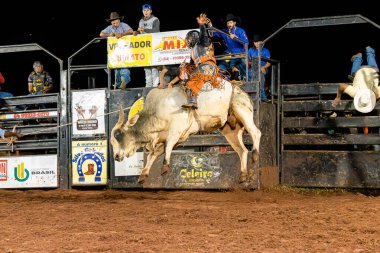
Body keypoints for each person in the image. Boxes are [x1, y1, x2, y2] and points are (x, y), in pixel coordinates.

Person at [180, 13, 219, 109]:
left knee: (191, 79)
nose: (187, 42)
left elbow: (204, 35)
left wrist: (202, 25)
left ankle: (193, 102)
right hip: (204, 68)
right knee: (187, 77)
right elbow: (192, 66)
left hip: (207, 67)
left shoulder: (203, 42)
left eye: (188, 39)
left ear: (193, 38)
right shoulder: (193, 51)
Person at [332, 46, 379, 113]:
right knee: (354, 74)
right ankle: (358, 58)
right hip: (359, 71)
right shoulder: (355, 93)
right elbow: (341, 85)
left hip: (372, 70)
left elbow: (341, 85)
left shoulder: (377, 94)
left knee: (372, 64)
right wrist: (338, 97)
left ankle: (369, 51)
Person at [208, 13, 249, 82]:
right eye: (227, 23)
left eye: (230, 22)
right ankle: (225, 80)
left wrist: (236, 37)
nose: (229, 24)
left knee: (240, 68)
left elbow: (246, 42)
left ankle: (244, 79)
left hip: (240, 55)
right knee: (221, 67)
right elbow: (213, 34)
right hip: (230, 55)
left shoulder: (240, 31)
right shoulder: (224, 31)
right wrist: (209, 24)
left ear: (234, 23)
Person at [100, 11, 133, 89]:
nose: (115, 24)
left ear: (119, 20)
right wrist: (109, 34)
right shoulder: (109, 28)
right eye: (113, 23)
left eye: (116, 22)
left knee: (124, 66)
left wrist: (122, 34)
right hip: (115, 53)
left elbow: (131, 31)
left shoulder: (123, 25)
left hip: (125, 51)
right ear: (111, 22)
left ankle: (124, 80)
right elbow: (101, 34)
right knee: (117, 69)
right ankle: (119, 84)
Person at [134, 4, 160, 88]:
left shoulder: (155, 19)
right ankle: (148, 87)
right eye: (144, 10)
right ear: (142, 11)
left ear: (151, 11)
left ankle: (155, 86)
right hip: (145, 47)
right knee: (147, 68)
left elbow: (156, 31)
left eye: (147, 10)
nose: (146, 12)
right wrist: (136, 32)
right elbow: (141, 33)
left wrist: (144, 29)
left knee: (154, 67)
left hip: (154, 46)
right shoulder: (141, 21)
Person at [248, 34, 271, 102]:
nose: (257, 43)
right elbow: (248, 61)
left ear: (262, 42)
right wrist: (252, 65)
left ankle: (262, 98)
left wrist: (263, 67)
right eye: (255, 42)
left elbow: (268, 63)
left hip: (263, 68)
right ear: (254, 43)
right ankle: (256, 97)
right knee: (251, 75)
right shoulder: (250, 50)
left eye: (259, 42)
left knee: (260, 76)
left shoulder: (266, 50)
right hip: (253, 69)